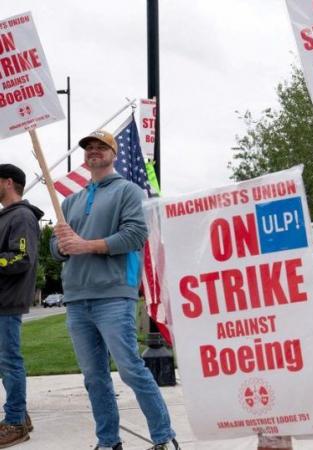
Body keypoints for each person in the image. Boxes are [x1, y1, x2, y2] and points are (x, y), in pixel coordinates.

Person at [50, 130, 179, 450]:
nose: (94, 152)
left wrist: (84, 244)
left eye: (101, 147)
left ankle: (164, 437)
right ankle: (108, 441)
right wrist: (63, 245)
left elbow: (135, 235)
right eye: (89, 148)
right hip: (77, 298)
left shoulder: (129, 191)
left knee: (131, 370)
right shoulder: (70, 200)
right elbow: (57, 247)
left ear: (114, 153)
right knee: (94, 379)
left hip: (113, 295)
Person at [0, 164, 42, 448]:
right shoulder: (7, 217)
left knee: (9, 361)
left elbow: (22, 258)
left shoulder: (23, 216)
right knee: (5, 362)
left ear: (8, 182)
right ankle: (20, 416)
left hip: (7, 301)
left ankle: (15, 422)